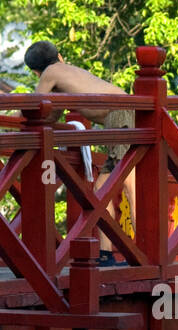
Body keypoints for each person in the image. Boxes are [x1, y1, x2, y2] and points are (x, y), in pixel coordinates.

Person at [25, 41, 136, 265]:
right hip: (124, 111)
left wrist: (20, 122)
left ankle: (144, 253)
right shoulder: (65, 71)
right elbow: (53, 115)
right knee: (101, 190)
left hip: (119, 115)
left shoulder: (49, 73)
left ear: (36, 71)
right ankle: (107, 254)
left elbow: (35, 107)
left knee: (131, 186)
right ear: (60, 56)